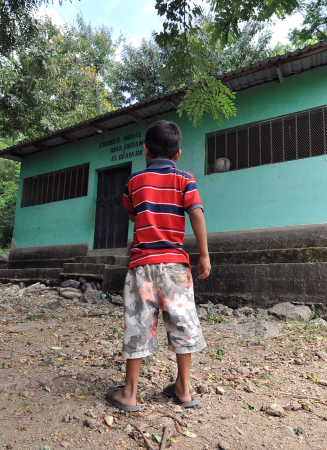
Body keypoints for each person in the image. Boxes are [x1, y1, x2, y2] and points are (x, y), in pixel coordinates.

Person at [106, 120, 211, 412]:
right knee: (182, 324)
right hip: (176, 268)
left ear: (144, 151)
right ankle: (184, 390)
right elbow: (197, 214)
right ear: (177, 155)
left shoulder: (133, 182)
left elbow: (132, 213)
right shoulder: (185, 179)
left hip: (142, 267)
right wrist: (204, 255)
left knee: (138, 323)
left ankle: (129, 393)